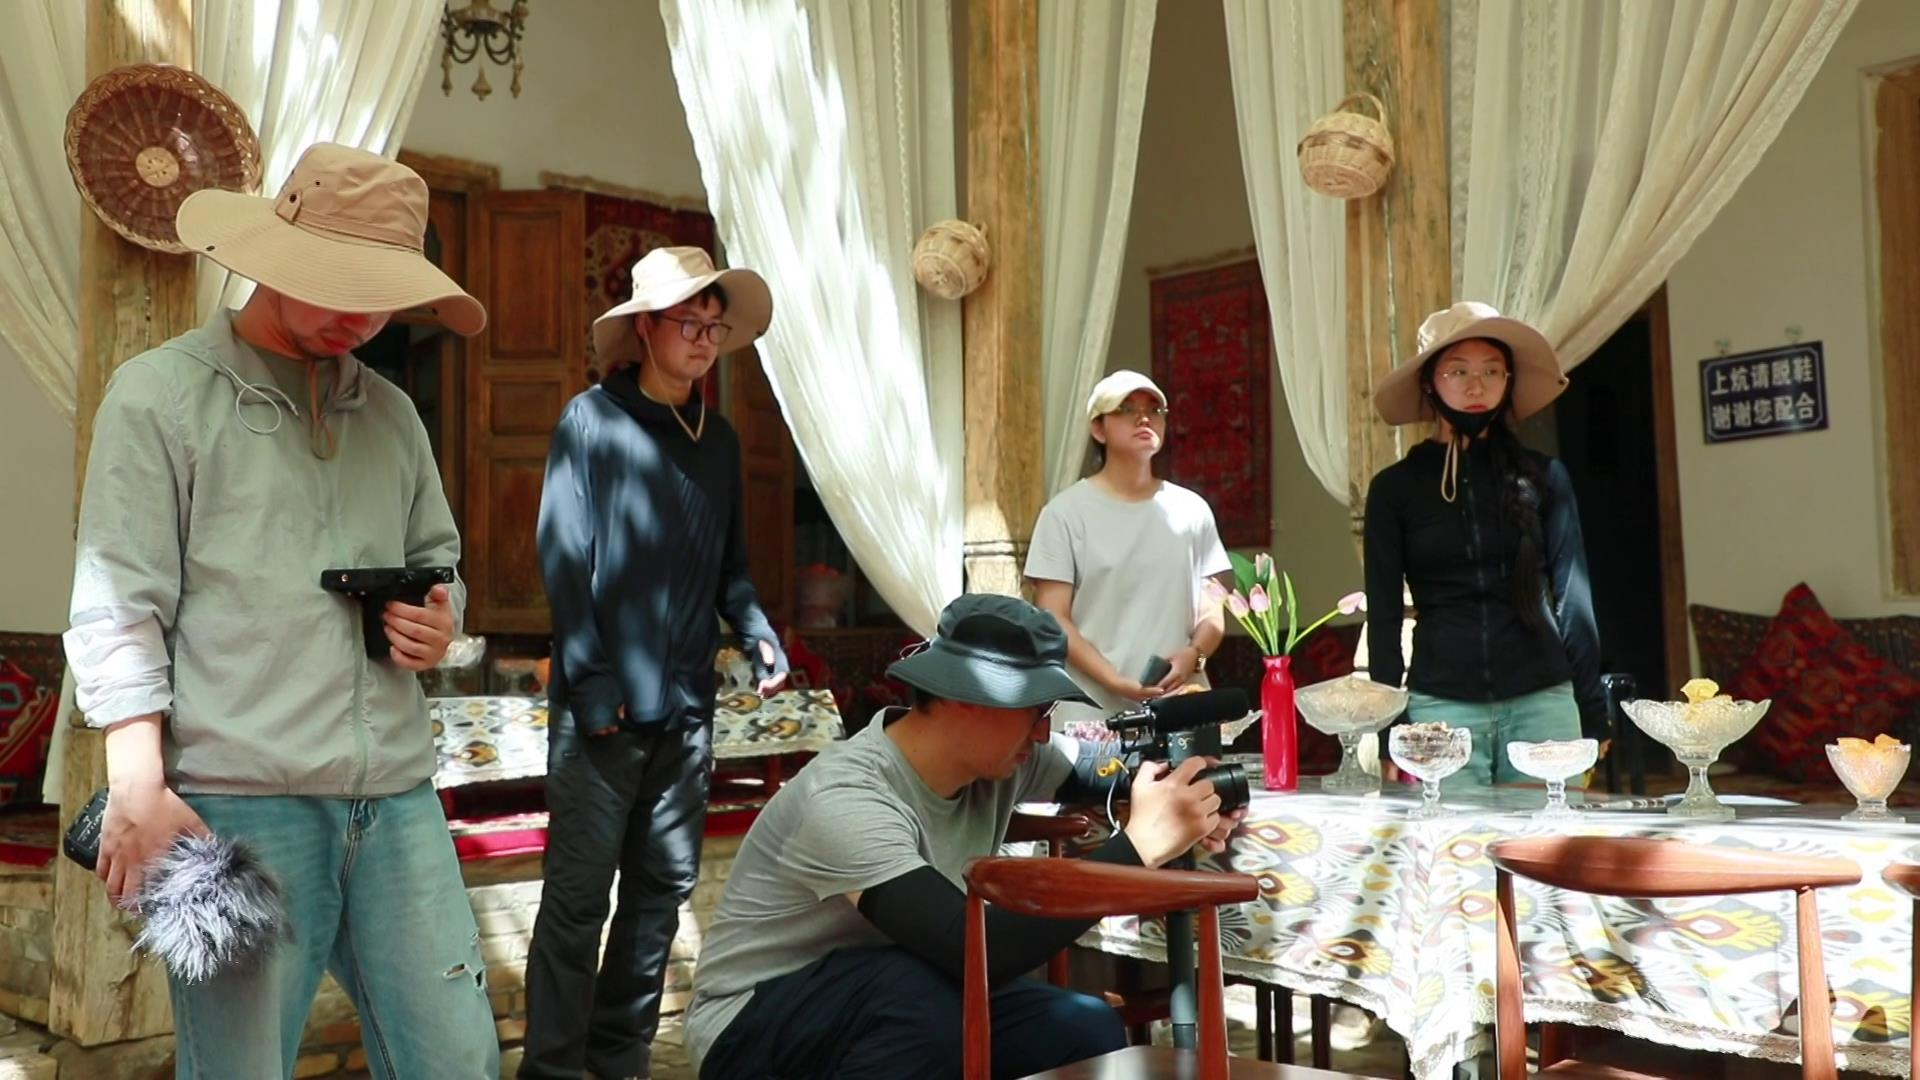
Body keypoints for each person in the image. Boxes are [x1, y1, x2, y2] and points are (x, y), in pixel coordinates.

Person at [64, 143, 497, 1078]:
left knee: (457, 1058)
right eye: (341, 286)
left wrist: (439, 618)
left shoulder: (393, 415)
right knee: (241, 1067)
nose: (362, 318)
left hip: (397, 801)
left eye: (382, 297)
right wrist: (137, 784)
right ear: (275, 254)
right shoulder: (161, 395)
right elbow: (119, 604)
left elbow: (440, 564)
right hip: (238, 805)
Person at [686, 593, 1239, 1078]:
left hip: (900, 993)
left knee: (1085, 1028)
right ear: (963, 696)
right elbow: (977, 950)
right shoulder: (845, 797)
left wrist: (1194, 787)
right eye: (1034, 709)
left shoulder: (1006, 755)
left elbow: (1107, 767)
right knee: (919, 998)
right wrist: (1138, 847)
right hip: (749, 1024)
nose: (1044, 731)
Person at [522, 246, 791, 1080]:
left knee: (659, 898)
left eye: (715, 327)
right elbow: (565, 558)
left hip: (687, 711)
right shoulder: (590, 421)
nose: (705, 340)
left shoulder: (721, 440)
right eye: (689, 323)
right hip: (602, 710)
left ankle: (621, 1061)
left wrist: (756, 627)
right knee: (577, 903)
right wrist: (591, 683)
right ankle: (553, 1070)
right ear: (645, 328)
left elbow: (731, 568)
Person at [1364, 301, 1607, 790]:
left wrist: (1592, 710)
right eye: (1458, 371)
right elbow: (1384, 616)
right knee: (1454, 840)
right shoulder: (1395, 489)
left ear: (1508, 381)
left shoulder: (1545, 477)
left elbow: (1574, 600)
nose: (1476, 386)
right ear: (1429, 383)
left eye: (1492, 371)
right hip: (1441, 709)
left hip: (1543, 700)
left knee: (1547, 836)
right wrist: (1389, 727)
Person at [1026, 370, 1234, 728]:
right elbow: (1053, 618)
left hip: (1180, 704)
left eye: (1154, 410)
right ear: (1098, 429)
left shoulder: (1192, 510)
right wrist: (1113, 680)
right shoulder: (1064, 514)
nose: (1143, 418)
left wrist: (1194, 655)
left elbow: (1212, 609)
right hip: (1090, 711)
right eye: (1125, 409)